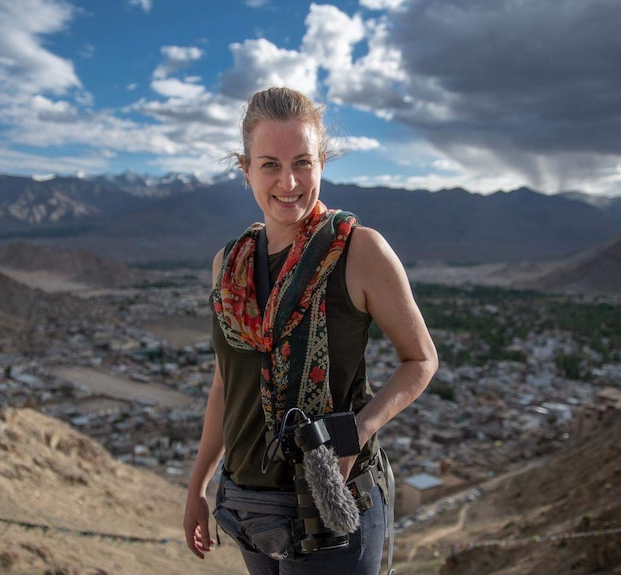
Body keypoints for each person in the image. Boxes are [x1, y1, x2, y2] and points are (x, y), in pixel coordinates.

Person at [183, 86, 438, 574]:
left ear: (322, 161)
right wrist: (198, 485)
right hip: (247, 506)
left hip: (329, 504)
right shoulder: (227, 265)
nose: (289, 181)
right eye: (270, 165)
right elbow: (225, 384)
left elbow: (421, 360)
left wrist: (356, 433)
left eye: (302, 162)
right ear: (245, 170)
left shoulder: (359, 251)